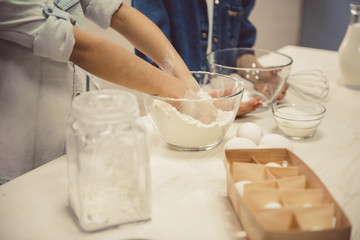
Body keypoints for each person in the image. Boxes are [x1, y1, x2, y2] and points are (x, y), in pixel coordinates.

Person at [0, 0, 205, 183]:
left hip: (75, 145)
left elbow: (120, 15)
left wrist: (190, 87)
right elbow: (79, 47)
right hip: (18, 167)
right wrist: (180, 94)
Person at [132, 0, 288, 116]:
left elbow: (238, 48)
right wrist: (198, 101)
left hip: (223, 97)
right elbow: (154, 58)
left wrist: (258, 74)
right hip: (172, 109)